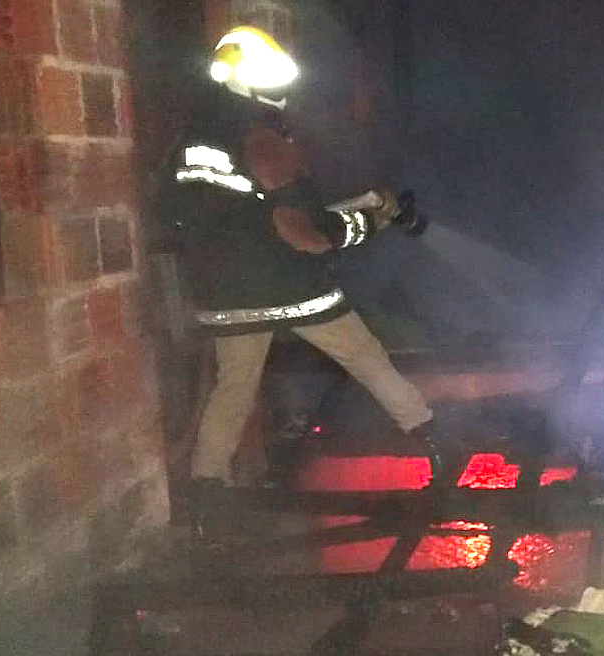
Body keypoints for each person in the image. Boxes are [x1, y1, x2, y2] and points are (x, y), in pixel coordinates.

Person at [166, 26, 446, 539]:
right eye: (271, 79)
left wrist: (343, 207)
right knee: (366, 357)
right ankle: (435, 445)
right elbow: (306, 235)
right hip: (291, 289)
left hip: (224, 293)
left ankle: (207, 495)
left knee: (233, 387)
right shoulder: (263, 140)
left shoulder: (193, 140)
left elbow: (242, 213)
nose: (282, 91)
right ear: (244, 81)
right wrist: (368, 221)